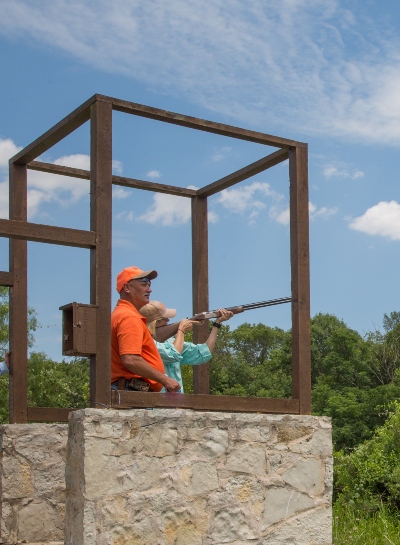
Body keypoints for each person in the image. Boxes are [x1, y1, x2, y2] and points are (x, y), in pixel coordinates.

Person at [111, 267, 181, 392]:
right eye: (143, 284)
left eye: (149, 284)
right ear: (127, 288)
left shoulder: (122, 314)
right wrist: (166, 380)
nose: (149, 289)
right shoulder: (129, 317)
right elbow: (131, 359)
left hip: (129, 390)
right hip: (131, 392)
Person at [140, 301, 233, 392]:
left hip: (176, 404)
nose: (168, 321)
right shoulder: (145, 343)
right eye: (165, 319)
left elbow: (204, 353)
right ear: (155, 322)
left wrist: (217, 323)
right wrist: (181, 330)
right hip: (155, 403)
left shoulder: (171, 341)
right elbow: (173, 354)